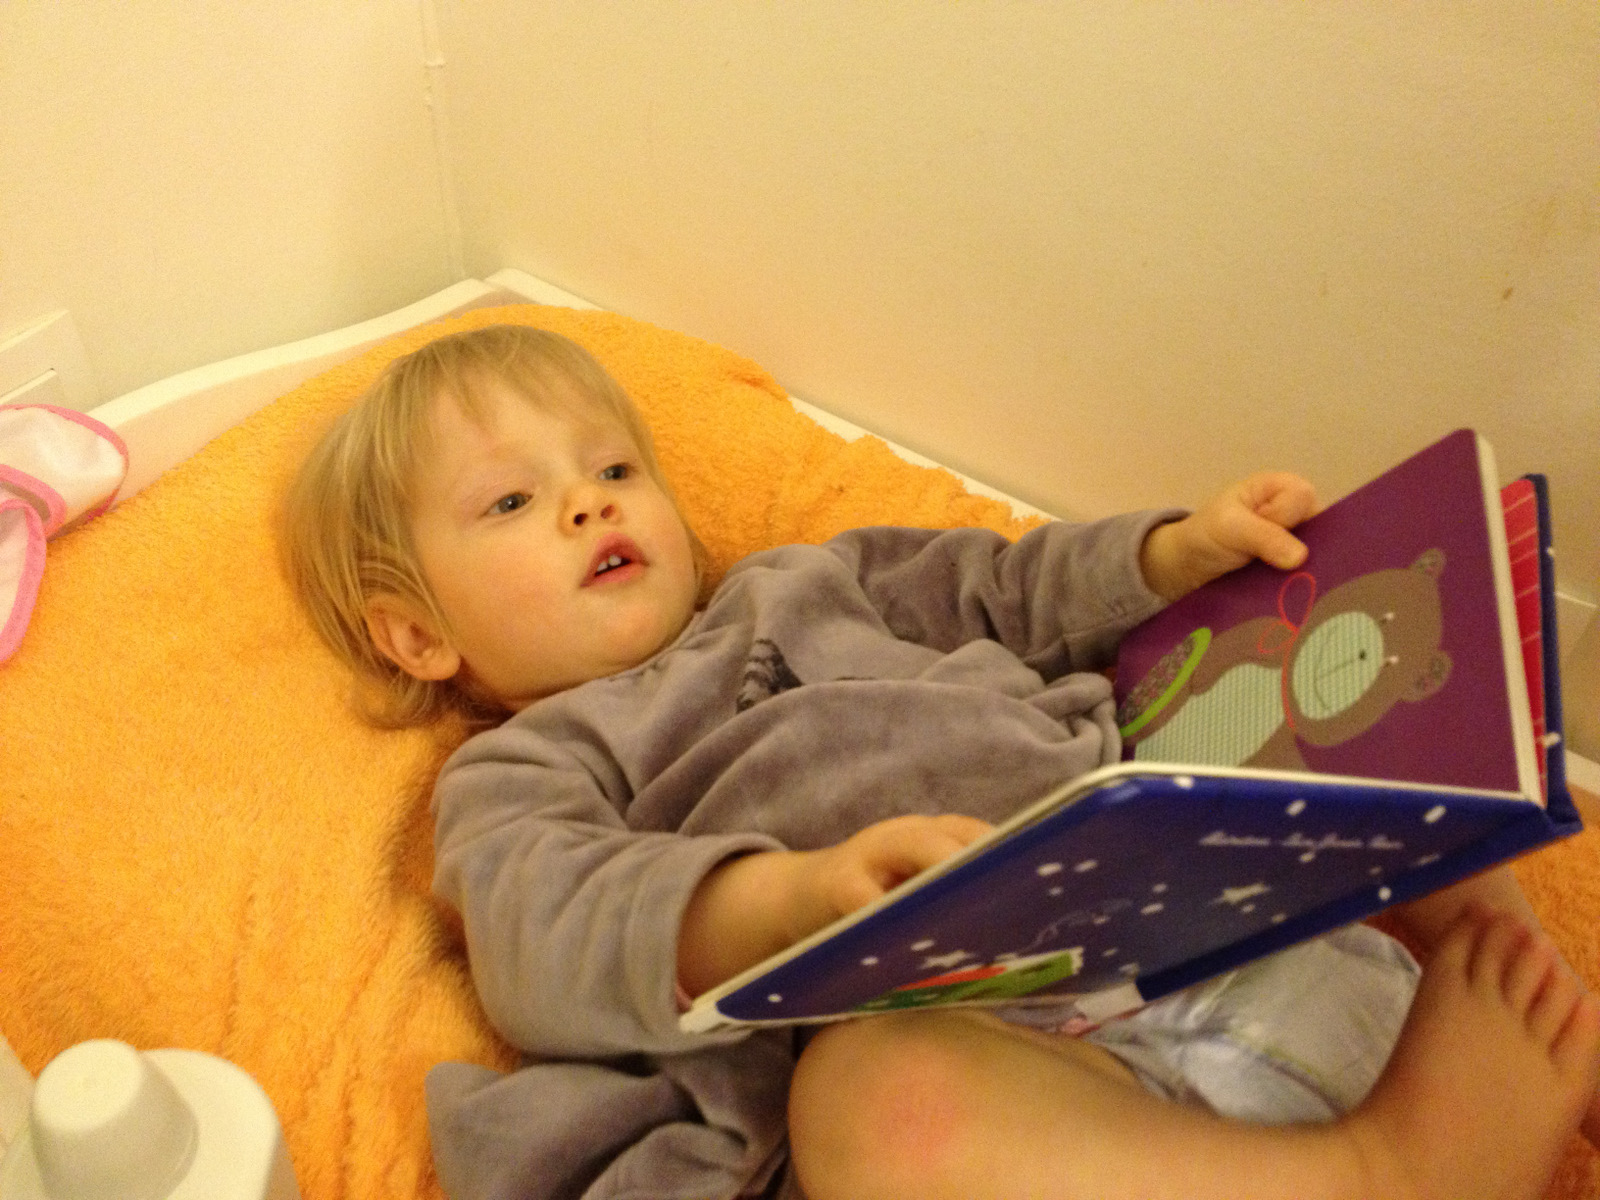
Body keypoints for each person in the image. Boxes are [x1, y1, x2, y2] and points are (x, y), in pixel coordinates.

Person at [282, 324, 1600, 1200]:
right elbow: (542, 928)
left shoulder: (814, 579)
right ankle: (1389, 1170)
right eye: (513, 501)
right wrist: (789, 898)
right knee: (877, 1104)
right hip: (1036, 1088)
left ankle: (1526, 995)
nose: (591, 501)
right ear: (418, 634)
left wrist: (1169, 557)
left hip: (1233, 925)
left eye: (614, 465)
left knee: (1377, 743)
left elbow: (1013, 591)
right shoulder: (526, 766)